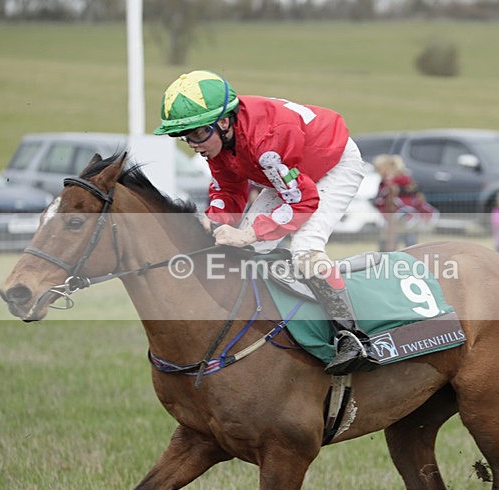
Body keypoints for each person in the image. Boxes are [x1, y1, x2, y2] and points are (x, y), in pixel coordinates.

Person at [153, 69, 378, 375]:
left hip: (334, 164)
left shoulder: (265, 143)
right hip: (289, 170)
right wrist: (214, 222)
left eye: (196, 134)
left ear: (223, 122)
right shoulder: (220, 140)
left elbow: (303, 202)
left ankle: (353, 337)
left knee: (305, 250)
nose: (192, 144)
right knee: (243, 252)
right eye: (185, 136)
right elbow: (228, 189)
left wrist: (248, 234)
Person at [372, 154, 436, 251]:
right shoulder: (397, 181)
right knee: (405, 241)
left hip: (401, 216)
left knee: (398, 242)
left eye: (380, 169)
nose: (380, 173)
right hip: (400, 217)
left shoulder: (394, 182)